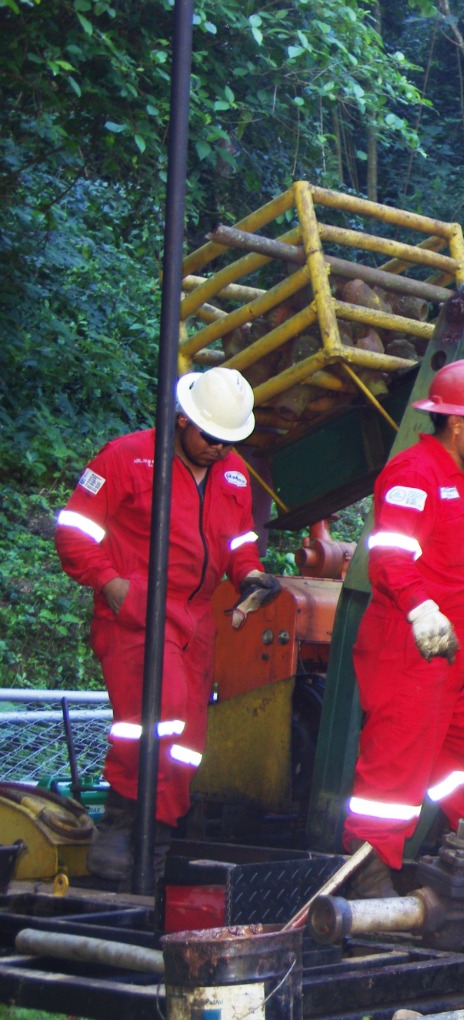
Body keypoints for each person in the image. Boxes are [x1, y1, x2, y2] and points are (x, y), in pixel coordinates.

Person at [56, 368, 282, 886]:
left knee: (186, 739)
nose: (217, 450)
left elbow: (237, 544)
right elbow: (74, 532)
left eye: (228, 442)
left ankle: (155, 837)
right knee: (157, 716)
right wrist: (112, 585)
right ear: (182, 420)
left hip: (197, 618)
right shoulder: (126, 458)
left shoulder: (233, 475)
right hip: (137, 613)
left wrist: (249, 574)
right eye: (209, 438)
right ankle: (121, 825)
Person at [342, 358, 464, 898]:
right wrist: (420, 610)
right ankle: (368, 869)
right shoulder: (414, 473)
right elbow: (389, 558)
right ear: (458, 424)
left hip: (450, 649)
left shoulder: (462, 482)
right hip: (409, 646)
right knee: (394, 766)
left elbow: (455, 566)